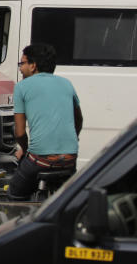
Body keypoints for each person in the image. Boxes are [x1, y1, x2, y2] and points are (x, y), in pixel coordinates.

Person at [8, 43, 83, 199]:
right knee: (65, 200)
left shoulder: (22, 87)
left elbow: (20, 132)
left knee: (15, 194)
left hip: (40, 160)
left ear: (33, 66)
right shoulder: (66, 84)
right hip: (70, 159)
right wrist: (70, 141)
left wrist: (25, 150)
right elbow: (79, 120)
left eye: (22, 63)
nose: (20, 68)